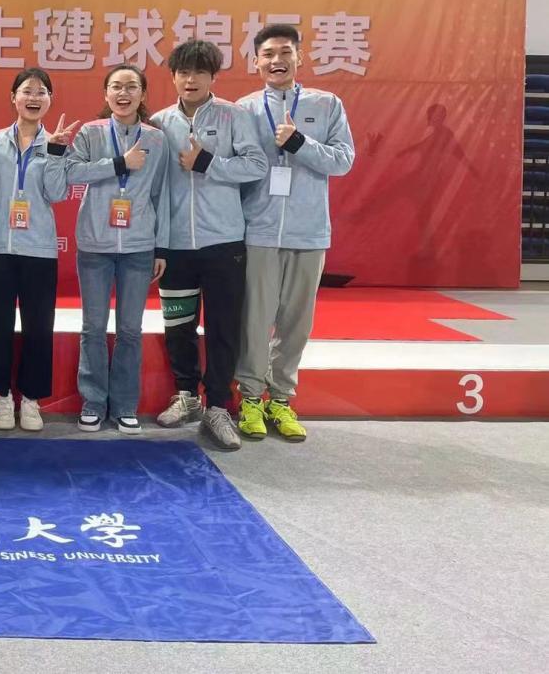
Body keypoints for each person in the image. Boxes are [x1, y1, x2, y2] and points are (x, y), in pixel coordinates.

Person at [235, 24, 355, 442]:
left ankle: (281, 398)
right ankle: (251, 397)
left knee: (296, 322)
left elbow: (343, 160)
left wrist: (300, 143)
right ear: (256, 62)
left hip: (309, 231)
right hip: (259, 230)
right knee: (255, 320)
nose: (277, 61)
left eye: (285, 52)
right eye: (268, 54)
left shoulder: (327, 104)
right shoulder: (244, 110)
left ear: (300, 58)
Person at [151, 39, 268, 451]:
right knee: (179, 326)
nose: (191, 79)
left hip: (223, 242)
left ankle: (218, 405)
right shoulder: (159, 123)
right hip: (176, 246)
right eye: (183, 72)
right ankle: (186, 394)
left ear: (213, 77)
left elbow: (257, 165)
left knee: (223, 327)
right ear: (173, 77)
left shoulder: (234, 116)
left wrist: (207, 162)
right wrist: (158, 244)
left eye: (200, 72)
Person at [67, 66, 169, 434]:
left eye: (131, 87)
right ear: (105, 93)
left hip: (139, 247)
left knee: (130, 329)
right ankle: (93, 402)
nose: (123, 93)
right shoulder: (91, 133)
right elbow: (71, 173)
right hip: (95, 245)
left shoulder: (157, 139)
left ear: (143, 94)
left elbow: (161, 194)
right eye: (116, 87)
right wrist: (119, 164)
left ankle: (125, 405)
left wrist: (161, 246)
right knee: (93, 327)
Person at [0, 68, 79, 432]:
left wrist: (55, 153)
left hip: (38, 250)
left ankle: (32, 399)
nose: (34, 98)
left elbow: (56, 193)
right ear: (14, 97)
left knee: (39, 327)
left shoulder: (56, 143)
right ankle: (3, 396)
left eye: (41, 92)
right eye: (27, 91)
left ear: (50, 100)